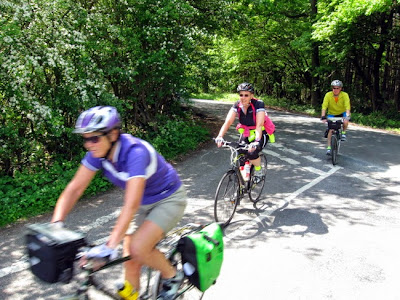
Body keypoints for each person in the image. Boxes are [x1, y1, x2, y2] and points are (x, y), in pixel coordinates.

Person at [51, 106, 187, 300]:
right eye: (85, 139)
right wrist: (56, 226)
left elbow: (130, 205)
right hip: (143, 201)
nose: (88, 145)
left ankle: (172, 276)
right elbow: (74, 189)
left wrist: (109, 246)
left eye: (94, 138)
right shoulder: (99, 153)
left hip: (168, 198)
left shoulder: (135, 152)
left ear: (113, 134)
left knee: (138, 249)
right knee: (129, 258)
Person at [215, 82, 274, 181]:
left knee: (252, 153)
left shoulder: (258, 104)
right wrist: (220, 136)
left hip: (260, 133)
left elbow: (259, 125)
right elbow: (228, 122)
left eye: (246, 95)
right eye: (241, 95)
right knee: (240, 152)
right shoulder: (237, 105)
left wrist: (256, 142)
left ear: (252, 95)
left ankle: (259, 171)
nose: (243, 97)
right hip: (247, 133)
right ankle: (243, 182)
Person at [320, 80, 351, 155]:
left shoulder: (344, 95)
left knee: (346, 121)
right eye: (334, 88)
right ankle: (328, 148)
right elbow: (324, 106)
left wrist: (347, 115)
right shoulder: (328, 95)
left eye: (337, 88)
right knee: (331, 129)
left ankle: (343, 133)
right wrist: (323, 116)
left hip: (342, 112)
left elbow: (347, 105)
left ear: (340, 88)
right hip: (332, 113)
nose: (335, 90)